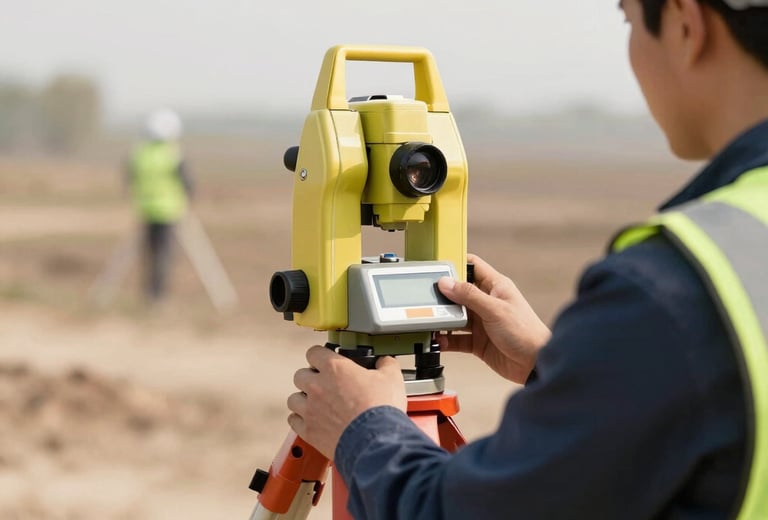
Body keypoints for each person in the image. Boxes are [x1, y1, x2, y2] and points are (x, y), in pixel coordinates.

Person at [285, 0, 768, 518]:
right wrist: (561, 364)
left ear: (685, 22)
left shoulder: (670, 290)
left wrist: (364, 430)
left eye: (628, 19)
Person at [126, 108, 193, 302]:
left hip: (145, 209)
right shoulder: (172, 153)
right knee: (164, 255)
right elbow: (187, 181)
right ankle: (159, 295)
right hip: (168, 211)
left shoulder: (140, 153)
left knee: (148, 254)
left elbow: (130, 176)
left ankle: (148, 294)